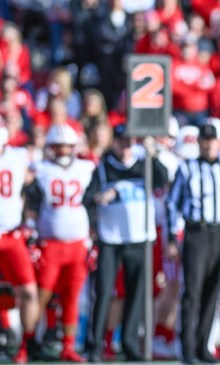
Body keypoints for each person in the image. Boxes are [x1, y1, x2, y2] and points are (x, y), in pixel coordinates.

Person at [166, 121, 220, 364]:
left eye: (212, 140)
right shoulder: (187, 168)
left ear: (219, 143)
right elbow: (173, 204)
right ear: (199, 142)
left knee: (213, 292)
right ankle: (188, 349)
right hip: (197, 233)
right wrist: (172, 238)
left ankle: (204, 346)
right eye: (204, 139)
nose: (208, 144)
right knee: (192, 291)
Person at [83, 124, 168, 362]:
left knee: (136, 293)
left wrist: (153, 154)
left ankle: (130, 344)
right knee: (103, 292)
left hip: (139, 238)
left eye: (129, 142)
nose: (125, 146)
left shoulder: (143, 164)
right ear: (114, 142)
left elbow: (162, 179)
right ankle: (96, 346)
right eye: (121, 141)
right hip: (111, 240)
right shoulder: (103, 167)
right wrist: (99, 197)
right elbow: (87, 197)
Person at [24, 125, 95, 362]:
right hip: (50, 244)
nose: (63, 150)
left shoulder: (86, 168)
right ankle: (28, 341)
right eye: (58, 146)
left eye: (67, 146)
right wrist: (32, 233)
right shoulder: (40, 169)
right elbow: (31, 204)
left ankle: (68, 346)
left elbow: (92, 204)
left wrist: (92, 239)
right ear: (51, 148)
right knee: (40, 296)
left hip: (77, 244)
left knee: (72, 296)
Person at [0, 126, 53, 363]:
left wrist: (29, 217)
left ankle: (25, 342)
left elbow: (33, 187)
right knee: (6, 289)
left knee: (28, 291)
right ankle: (6, 331)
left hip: (11, 235)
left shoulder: (17, 157)